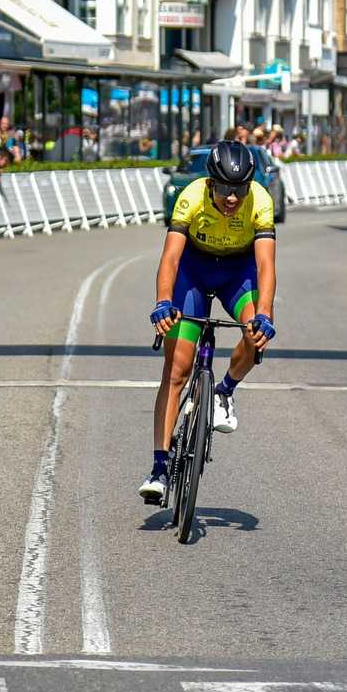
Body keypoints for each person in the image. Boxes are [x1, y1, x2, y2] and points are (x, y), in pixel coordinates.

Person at [143, 140, 278, 506]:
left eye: (239, 189)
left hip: (238, 274)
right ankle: (159, 466)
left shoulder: (261, 201)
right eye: (223, 188)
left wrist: (264, 314)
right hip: (194, 274)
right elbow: (170, 259)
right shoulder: (189, 197)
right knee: (176, 371)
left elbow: (266, 266)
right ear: (209, 184)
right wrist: (163, 302)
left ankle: (225, 390)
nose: (231, 198)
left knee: (255, 333)